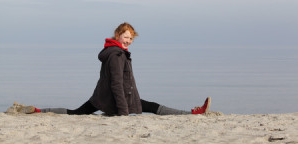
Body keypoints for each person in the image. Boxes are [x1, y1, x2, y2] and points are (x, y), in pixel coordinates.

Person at [12, 22, 211, 115]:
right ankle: (193, 114)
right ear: (117, 36)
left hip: (103, 96)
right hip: (117, 99)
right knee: (152, 107)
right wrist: (124, 112)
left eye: (131, 38)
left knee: (76, 113)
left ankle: (38, 110)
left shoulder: (112, 51)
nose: (129, 41)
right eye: (126, 37)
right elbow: (116, 83)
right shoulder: (116, 55)